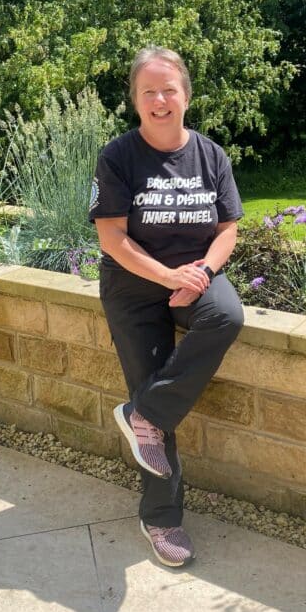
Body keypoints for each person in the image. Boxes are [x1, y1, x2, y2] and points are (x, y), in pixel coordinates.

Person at [89, 46, 244, 568]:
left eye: (168, 89)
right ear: (135, 100)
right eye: (148, 91)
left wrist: (198, 274)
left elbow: (228, 229)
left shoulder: (211, 155)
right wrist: (164, 275)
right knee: (151, 382)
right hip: (134, 286)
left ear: (186, 95)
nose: (160, 99)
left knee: (227, 316)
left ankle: (143, 415)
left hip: (196, 278)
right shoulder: (118, 157)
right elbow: (111, 237)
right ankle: (161, 517)